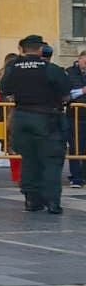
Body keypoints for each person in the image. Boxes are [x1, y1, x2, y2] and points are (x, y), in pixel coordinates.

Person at [1, 35, 72, 214]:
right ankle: (53, 202)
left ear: (22, 49)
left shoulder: (13, 68)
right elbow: (66, 94)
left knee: (29, 159)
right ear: (41, 49)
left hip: (22, 117)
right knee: (51, 161)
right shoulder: (51, 69)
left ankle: (32, 200)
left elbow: (5, 89)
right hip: (46, 118)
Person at [64, 50, 86, 188]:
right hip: (75, 116)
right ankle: (76, 177)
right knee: (76, 147)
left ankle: (83, 175)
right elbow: (67, 93)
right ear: (79, 59)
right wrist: (82, 91)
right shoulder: (69, 73)